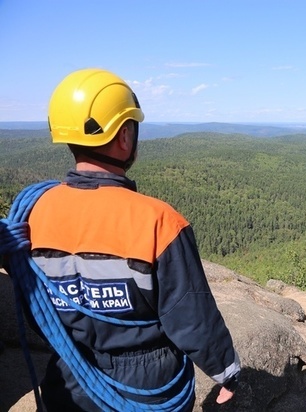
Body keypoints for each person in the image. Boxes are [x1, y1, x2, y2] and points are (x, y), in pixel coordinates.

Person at [19, 68, 240, 411]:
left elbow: (36, 309)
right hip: (147, 381)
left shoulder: (31, 217)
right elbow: (191, 317)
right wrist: (226, 372)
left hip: (68, 377)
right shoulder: (159, 222)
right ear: (124, 136)